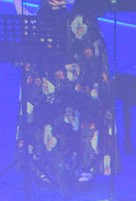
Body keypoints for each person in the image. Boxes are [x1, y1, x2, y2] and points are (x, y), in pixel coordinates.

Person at [13, 0, 117, 184]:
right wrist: (20, 10)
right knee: (47, 95)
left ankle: (85, 164)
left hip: (82, 31)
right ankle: (46, 163)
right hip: (48, 27)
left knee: (85, 95)